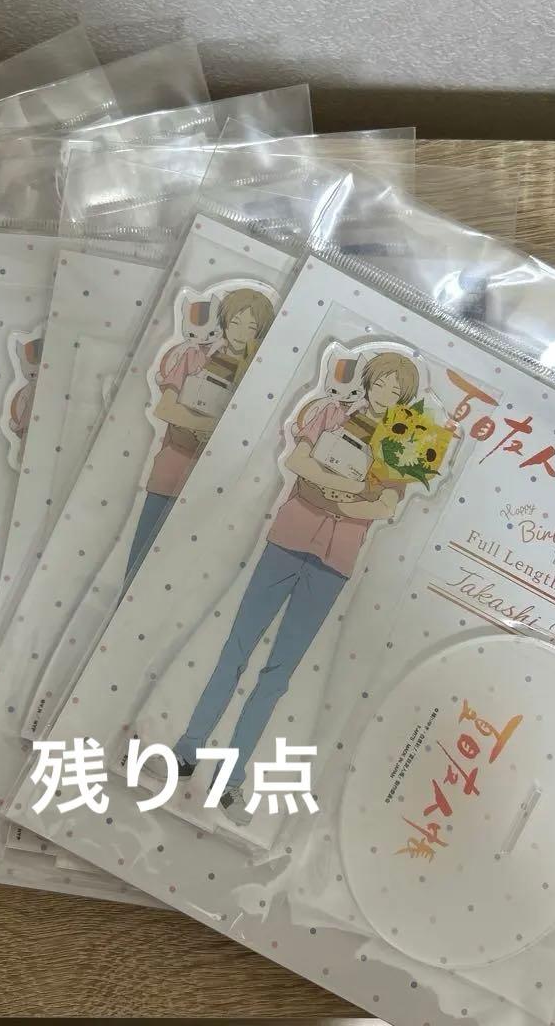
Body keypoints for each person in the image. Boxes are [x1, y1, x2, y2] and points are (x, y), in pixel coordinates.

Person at [171, 351, 421, 824]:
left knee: (278, 675)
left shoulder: (399, 446)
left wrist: (345, 497)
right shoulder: (329, 411)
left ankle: (230, 779)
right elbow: (298, 459)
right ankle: (188, 748)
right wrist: (344, 488)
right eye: (383, 382)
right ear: (369, 380)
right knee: (236, 650)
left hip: (335, 562)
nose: (387, 393)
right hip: (289, 537)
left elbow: (387, 505)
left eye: (397, 390)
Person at [125, 287, 275, 579]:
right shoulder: (195, 355)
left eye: (251, 327)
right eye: (235, 322)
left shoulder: (258, 377)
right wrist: (208, 427)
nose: (240, 332)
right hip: (172, 467)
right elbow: (166, 408)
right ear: (224, 320)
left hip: (211, 486)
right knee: (139, 557)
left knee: (177, 567)